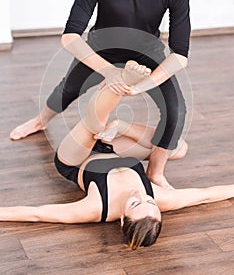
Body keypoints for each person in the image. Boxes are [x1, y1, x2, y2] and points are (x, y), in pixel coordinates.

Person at [10, 0, 191, 188]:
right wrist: (109, 72)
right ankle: (41, 120)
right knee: (68, 88)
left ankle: (156, 173)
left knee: (177, 110)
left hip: (146, 51)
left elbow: (179, 55)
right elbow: (70, 37)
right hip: (102, 47)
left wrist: (141, 85)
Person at [3, 63, 234, 250]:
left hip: (76, 160)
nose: (140, 195)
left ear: (122, 219)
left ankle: (123, 81)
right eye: (149, 201)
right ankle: (121, 123)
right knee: (178, 148)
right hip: (112, 147)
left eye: (135, 203)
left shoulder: (96, 209)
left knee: (94, 124)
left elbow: (37, 214)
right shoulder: (162, 199)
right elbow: (205, 195)